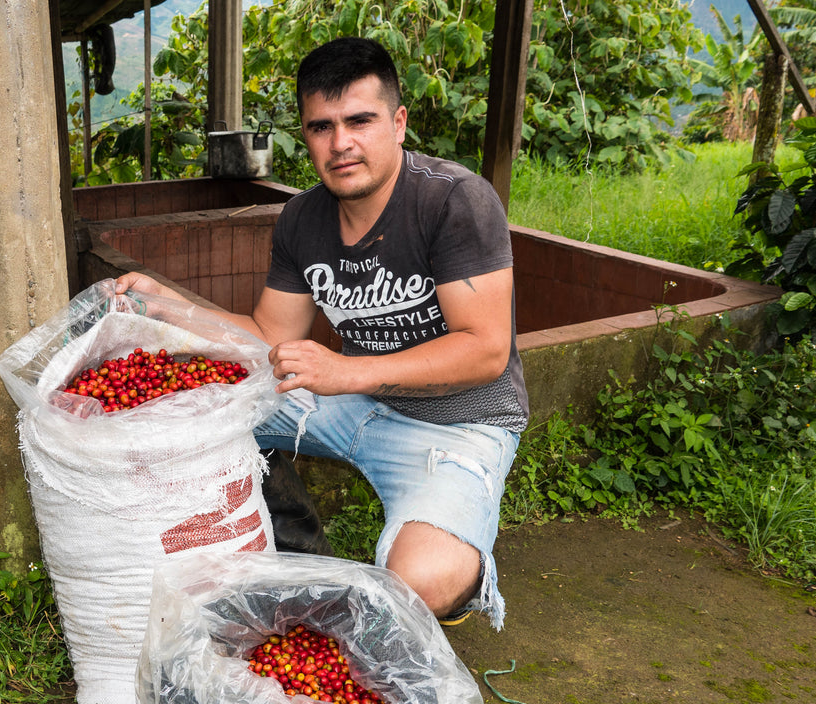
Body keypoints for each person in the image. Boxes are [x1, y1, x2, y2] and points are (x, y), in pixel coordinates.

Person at [115, 36, 527, 630]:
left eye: (360, 120)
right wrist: (169, 306)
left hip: (458, 423)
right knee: (195, 400)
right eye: (321, 127)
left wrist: (347, 372)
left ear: (399, 122)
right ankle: (288, 544)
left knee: (423, 582)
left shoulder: (454, 201)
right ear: (305, 135)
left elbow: (485, 350)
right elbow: (264, 335)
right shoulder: (303, 218)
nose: (341, 144)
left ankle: (464, 565)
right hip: (351, 404)